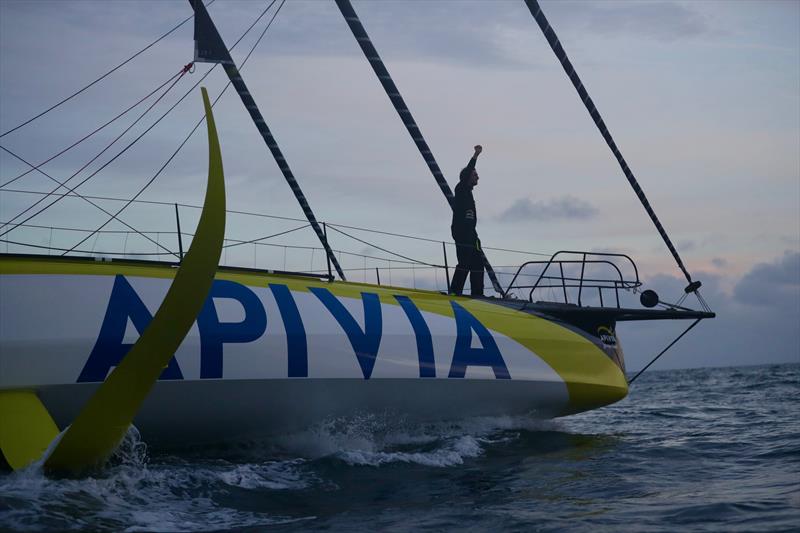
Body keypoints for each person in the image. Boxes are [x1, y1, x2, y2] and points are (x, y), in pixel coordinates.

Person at [449, 145, 484, 296]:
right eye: (475, 174)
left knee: (477, 263)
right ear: (468, 176)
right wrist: (476, 155)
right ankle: (455, 291)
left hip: (471, 234)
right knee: (465, 262)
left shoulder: (469, 193)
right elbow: (469, 170)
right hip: (462, 233)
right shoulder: (461, 188)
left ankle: (478, 293)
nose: (477, 177)